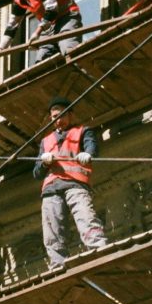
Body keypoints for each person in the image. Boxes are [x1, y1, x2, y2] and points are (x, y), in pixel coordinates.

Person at [34, 96, 108, 268]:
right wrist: (43, 162)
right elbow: (37, 173)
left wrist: (88, 154)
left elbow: (92, 148)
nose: (58, 120)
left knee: (85, 217)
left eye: (61, 115)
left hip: (75, 184)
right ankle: (57, 263)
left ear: (70, 115)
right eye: (54, 117)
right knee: (52, 229)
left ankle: (98, 247)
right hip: (52, 188)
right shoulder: (46, 141)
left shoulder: (83, 131)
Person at [0, 0, 83, 62]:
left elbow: (52, 9)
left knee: (70, 52)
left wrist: (37, 33)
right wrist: (0, 48)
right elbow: (13, 24)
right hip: (48, 27)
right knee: (41, 63)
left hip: (66, 17)